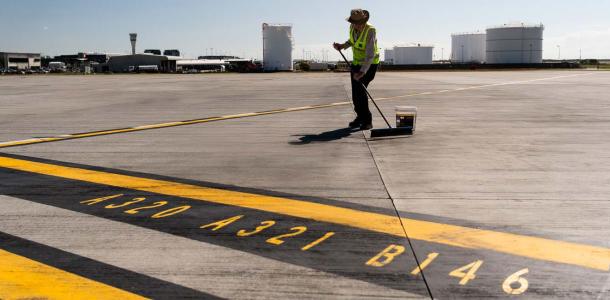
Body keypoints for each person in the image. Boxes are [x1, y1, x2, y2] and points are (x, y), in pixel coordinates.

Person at [333, 8, 380, 130]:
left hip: (369, 65)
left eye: (357, 23)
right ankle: (359, 117)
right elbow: (352, 41)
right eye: (353, 23)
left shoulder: (371, 31)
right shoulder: (352, 27)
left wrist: (362, 71)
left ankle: (367, 120)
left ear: (363, 22)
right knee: (355, 93)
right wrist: (342, 46)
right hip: (356, 64)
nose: (355, 25)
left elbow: (370, 54)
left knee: (361, 92)